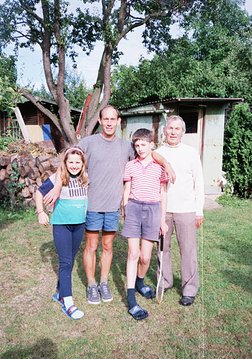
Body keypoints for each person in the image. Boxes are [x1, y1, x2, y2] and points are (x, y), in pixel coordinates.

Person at [44, 105, 175, 306]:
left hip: (113, 207)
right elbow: (69, 160)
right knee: (91, 246)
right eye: (105, 119)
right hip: (91, 206)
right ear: (100, 120)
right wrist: (57, 185)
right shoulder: (88, 143)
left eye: (113, 119)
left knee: (107, 246)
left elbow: (148, 153)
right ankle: (91, 284)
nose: (109, 122)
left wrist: (166, 164)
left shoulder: (126, 146)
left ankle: (104, 282)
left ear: (118, 121)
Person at [155, 115, 204, 306]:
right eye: (170, 128)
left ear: (183, 132)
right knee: (162, 248)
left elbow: (198, 183)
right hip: (163, 210)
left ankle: (189, 289)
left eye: (177, 129)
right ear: (164, 131)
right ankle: (164, 282)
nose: (173, 132)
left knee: (188, 250)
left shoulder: (191, 153)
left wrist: (198, 211)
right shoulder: (158, 153)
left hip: (186, 210)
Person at [36, 146, 89, 319]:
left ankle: (60, 293)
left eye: (77, 162)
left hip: (79, 225)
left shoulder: (85, 178)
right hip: (62, 226)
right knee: (66, 262)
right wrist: (41, 212)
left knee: (70, 261)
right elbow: (39, 192)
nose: (74, 165)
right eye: (71, 162)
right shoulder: (58, 177)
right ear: (65, 163)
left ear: (82, 164)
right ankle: (68, 304)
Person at [122, 128, 168, 320]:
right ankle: (131, 298)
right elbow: (127, 189)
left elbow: (163, 194)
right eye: (137, 145)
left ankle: (140, 282)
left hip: (152, 210)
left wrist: (162, 220)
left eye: (143, 145)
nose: (140, 149)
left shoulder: (160, 167)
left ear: (152, 145)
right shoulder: (130, 165)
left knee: (145, 257)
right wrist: (125, 209)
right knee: (133, 253)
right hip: (133, 208)